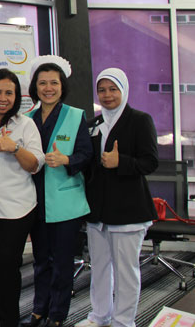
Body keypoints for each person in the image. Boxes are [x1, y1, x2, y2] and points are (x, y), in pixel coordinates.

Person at [75, 68, 158, 327]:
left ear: (124, 90)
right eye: (102, 90)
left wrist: (120, 161)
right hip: (97, 211)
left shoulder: (140, 120)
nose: (107, 95)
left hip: (128, 210)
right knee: (99, 268)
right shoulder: (93, 123)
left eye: (113, 89)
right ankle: (99, 316)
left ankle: (123, 321)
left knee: (125, 272)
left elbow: (150, 161)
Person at [22, 56, 93, 327]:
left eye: (54, 82)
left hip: (65, 201)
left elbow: (87, 154)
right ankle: (39, 309)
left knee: (62, 263)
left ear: (62, 86)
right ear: (35, 87)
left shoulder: (76, 116)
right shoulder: (26, 118)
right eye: (42, 83)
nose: (48, 88)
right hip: (34, 201)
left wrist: (67, 160)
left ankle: (57, 315)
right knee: (40, 261)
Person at [0, 68, 44, 327]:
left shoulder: (25, 124)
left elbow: (35, 164)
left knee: (5, 267)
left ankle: (9, 321)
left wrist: (14, 147)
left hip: (16, 207)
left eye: (9, 93)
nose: (3, 98)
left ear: (17, 97)